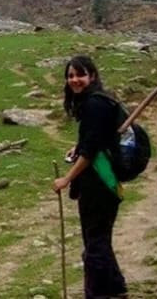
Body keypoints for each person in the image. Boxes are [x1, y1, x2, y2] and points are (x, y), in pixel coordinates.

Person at [53, 55, 127, 299]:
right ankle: (116, 289)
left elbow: (91, 150)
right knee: (99, 239)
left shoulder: (95, 104)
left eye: (80, 75)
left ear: (92, 76)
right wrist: (78, 147)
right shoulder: (96, 103)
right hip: (105, 181)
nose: (74, 80)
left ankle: (97, 294)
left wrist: (66, 178)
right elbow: (95, 139)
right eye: (71, 75)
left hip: (99, 183)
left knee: (94, 244)